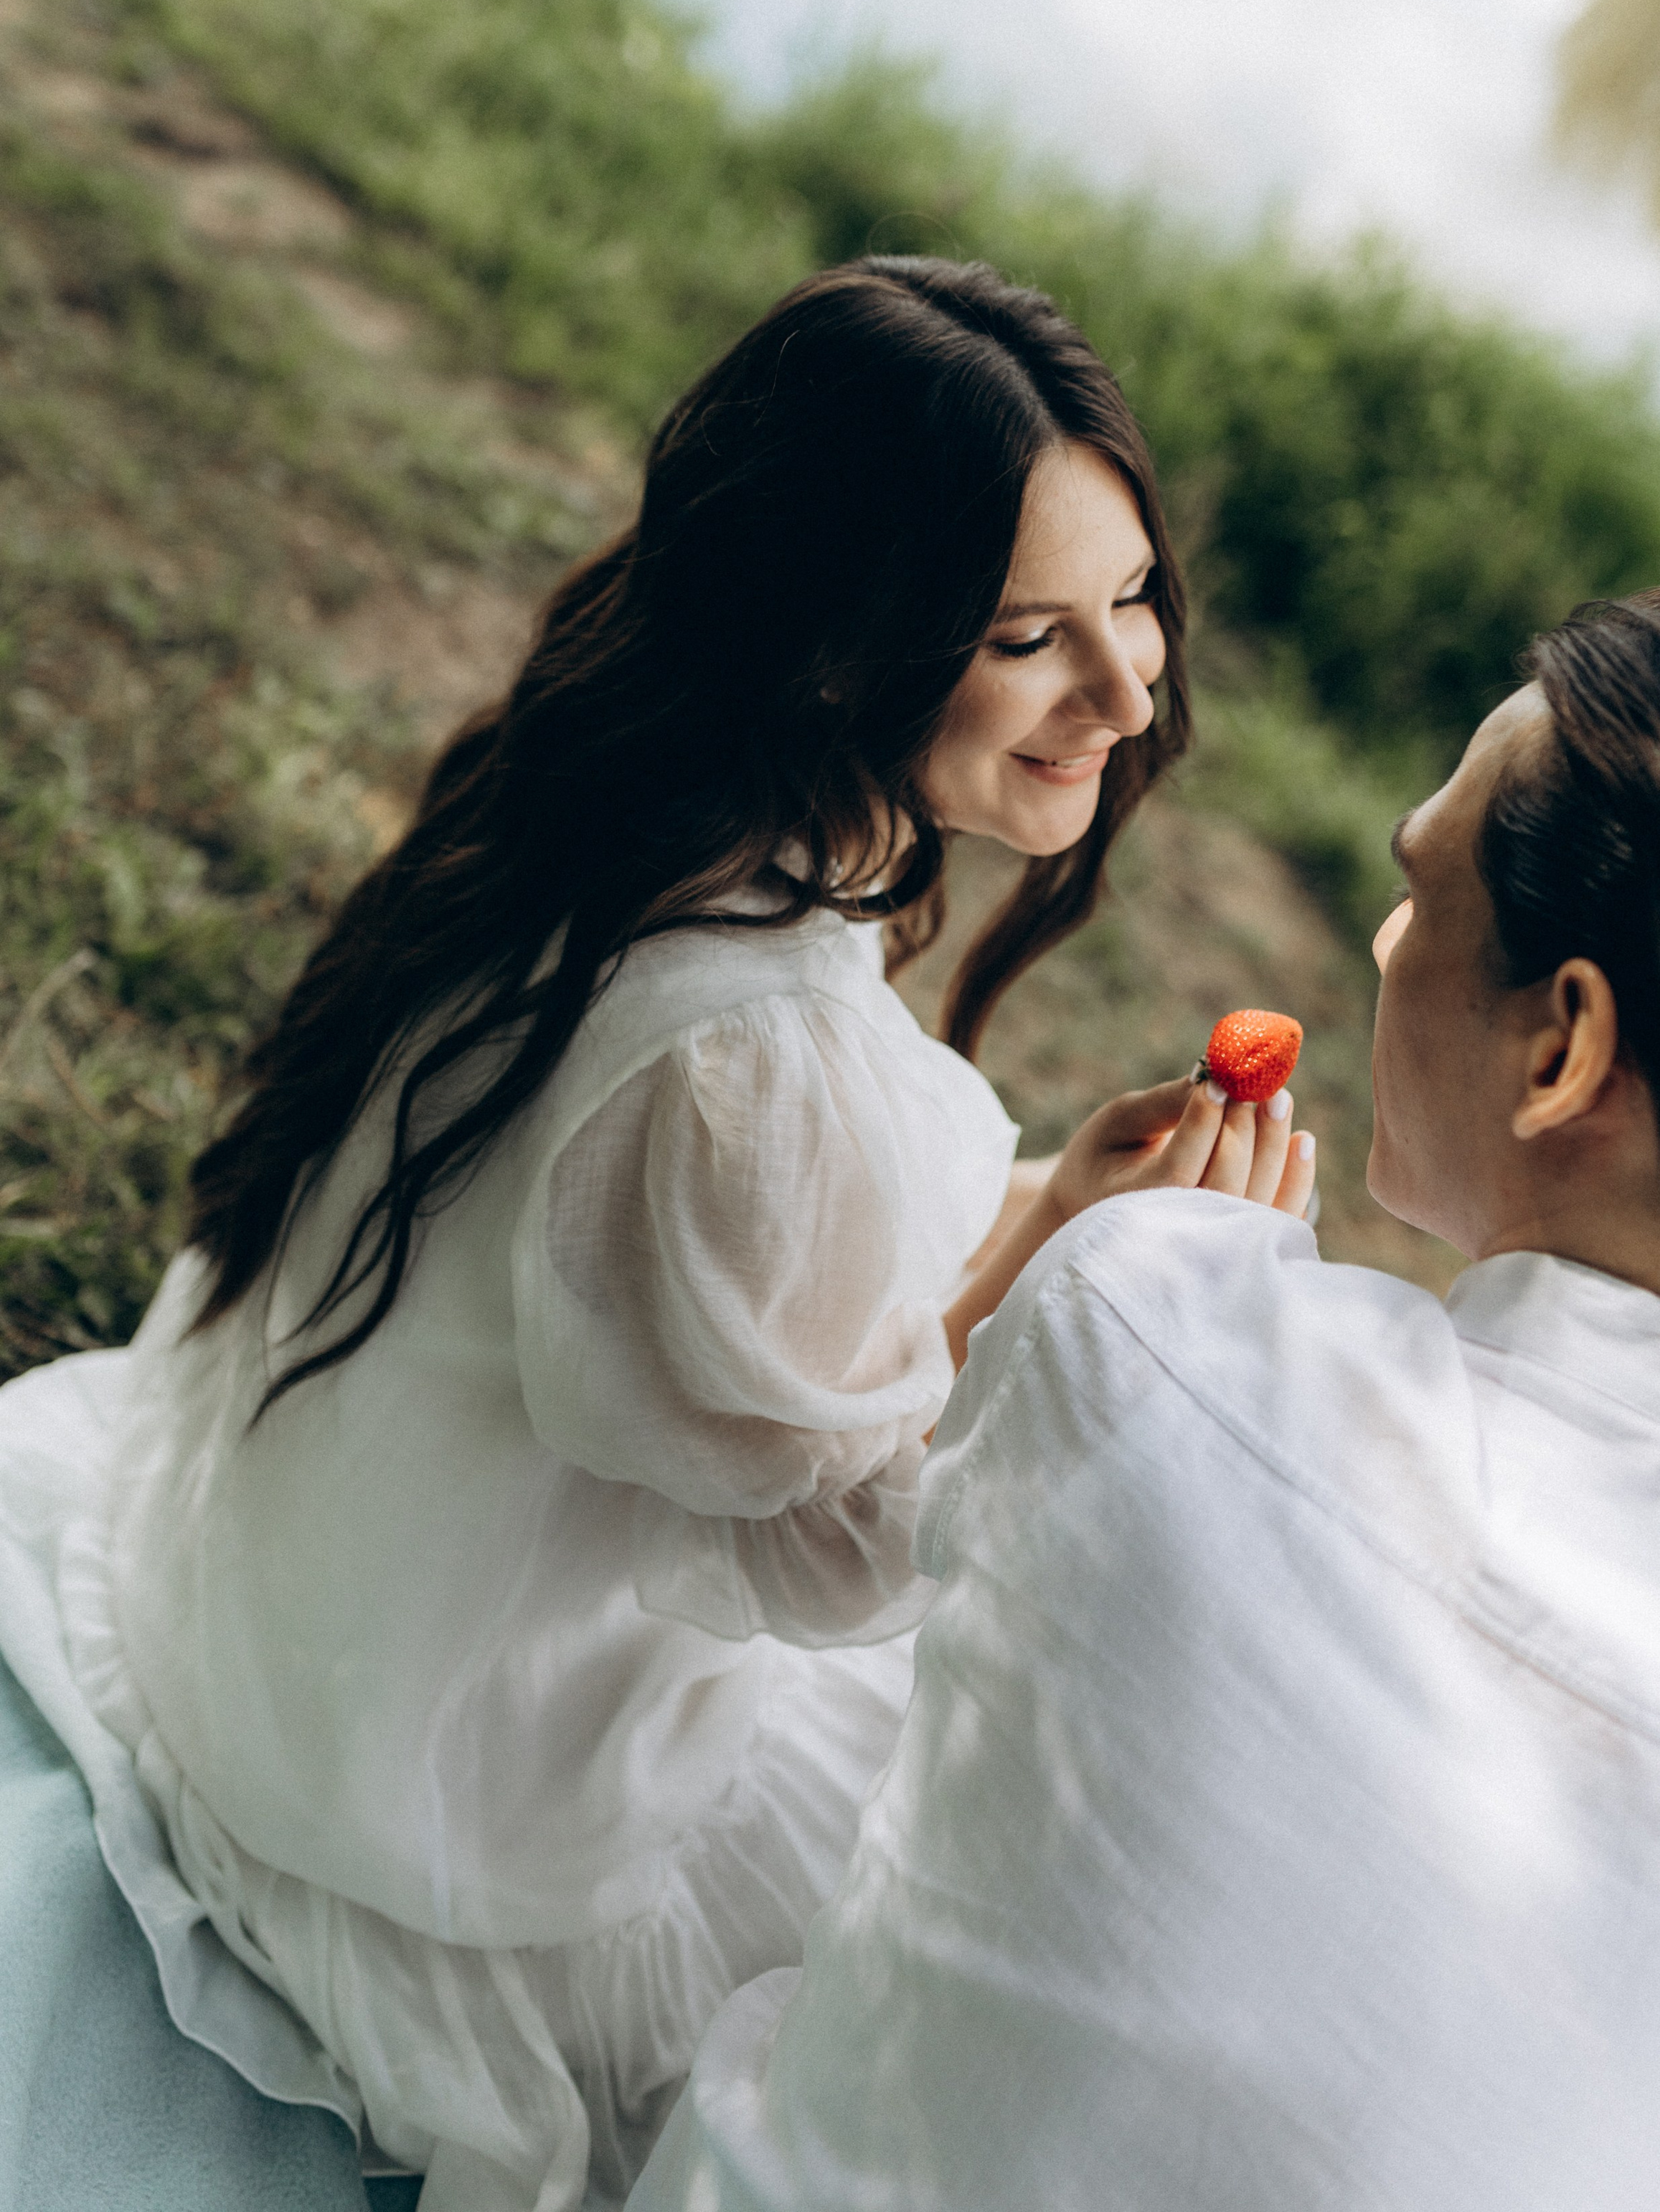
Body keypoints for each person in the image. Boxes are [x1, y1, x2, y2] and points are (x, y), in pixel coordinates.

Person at [0, 257, 1311, 2212]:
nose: (1127, 692)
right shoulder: (742, 1063)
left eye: (1131, 602)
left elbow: (713, 1281)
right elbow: (841, 1551)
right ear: (839, 650)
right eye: (1032, 635)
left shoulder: (634, 807)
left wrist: (1042, 1203)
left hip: (293, 1581)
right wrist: (1060, 1276)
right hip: (418, 1785)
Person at [631, 584, 1660, 2212]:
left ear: (1561, 1048)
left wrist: (1140, 1266)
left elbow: (875, 1499)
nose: (1383, 938)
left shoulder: (1164, 1327)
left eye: (1424, 890)